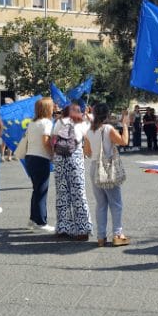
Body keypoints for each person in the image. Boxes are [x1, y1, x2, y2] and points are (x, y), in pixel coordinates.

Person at [85, 103, 131, 247]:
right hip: (107, 168)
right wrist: (125, 125)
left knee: (101, 204)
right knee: (116, 203)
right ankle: (117, 234)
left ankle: (101, 236)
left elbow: (87, 152)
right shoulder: (108, 129)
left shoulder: (89, 130)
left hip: (94, 167)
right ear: (106, 115)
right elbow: (124, 141)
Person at [52, 102, 92, 240]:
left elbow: (53, 139)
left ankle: (63, 227)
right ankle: (83, 229)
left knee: (62, 193)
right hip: (75, 158)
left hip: (60, 159)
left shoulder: (59, 122)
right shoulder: (82, 124)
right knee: (79, 193)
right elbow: (87, 139)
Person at [24, 97, 55, 232]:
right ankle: (41, 222)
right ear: (47, 109)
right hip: (41, 157)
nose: (53, 109)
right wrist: (52, 155)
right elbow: (45, 141)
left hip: (30, 157)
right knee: (41, 191)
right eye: (52, 106)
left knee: (36, 189)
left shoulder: (33, 123)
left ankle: (33, 219)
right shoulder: (46, 123)